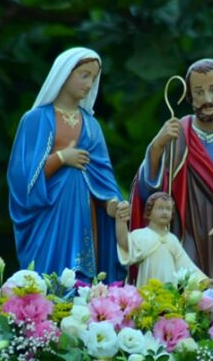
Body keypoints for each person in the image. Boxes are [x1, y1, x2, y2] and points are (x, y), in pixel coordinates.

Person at [131, 58, 213, 306]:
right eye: (199, 92)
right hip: (180, 227)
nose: (208, 99)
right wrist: (157, 145)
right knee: (178, 288)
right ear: (189, 96)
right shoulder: (178, 132)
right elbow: (149, 191)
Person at [7, 47, 125, 283]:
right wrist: (61, 158)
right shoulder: (35, 120)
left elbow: (102, 174)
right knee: (46, 278)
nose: (89, 83)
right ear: (63, 74)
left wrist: (112, 203)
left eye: (93, 77)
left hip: (84, 216)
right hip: (48, 215)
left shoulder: (92, 126)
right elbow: (21, 177)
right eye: (84, 75)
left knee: (81, 280)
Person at [116, 192, 205, 285]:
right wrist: (121, 221)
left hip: (169, 292)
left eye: (168, 209)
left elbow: (185, 263)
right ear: (149, 212)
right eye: (160, 208)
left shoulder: (172, 239)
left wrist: (203, 280)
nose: (165, 212)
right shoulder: (141, 235)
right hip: (148, 289)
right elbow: (124, 244)